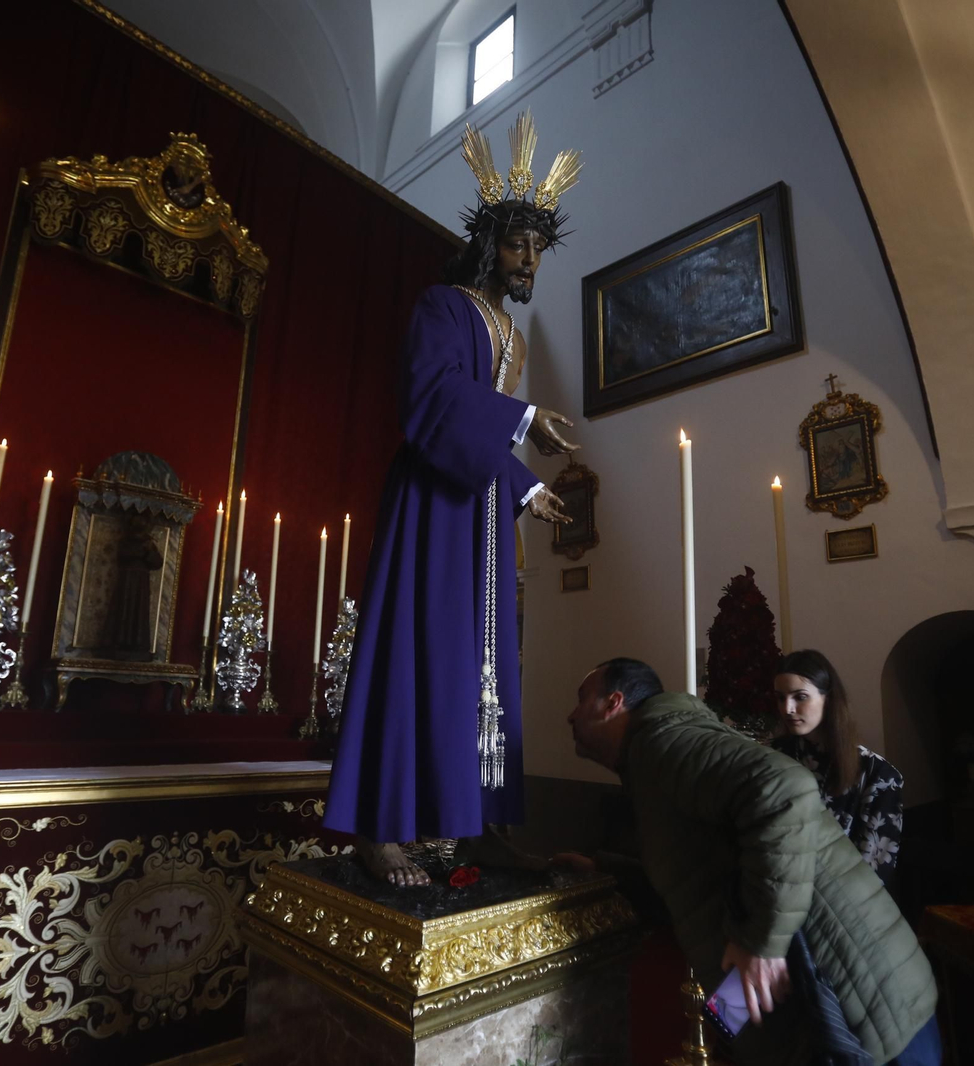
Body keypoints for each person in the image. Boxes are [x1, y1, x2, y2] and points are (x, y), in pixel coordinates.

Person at [323, 113, 583, 885]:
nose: (528, 259)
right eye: (516, 244)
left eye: (537, 248)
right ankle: (383, 825)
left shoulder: (517, 336)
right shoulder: (443, 306)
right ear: (487, 246)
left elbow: (491, 437)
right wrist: (526, 424)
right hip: (433, 505)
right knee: (418, 649)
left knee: (487, 660)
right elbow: (433, 402)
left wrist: (523, 484)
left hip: (481, 512)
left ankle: (475, 823)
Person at [559, 658, 939, 1065]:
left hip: (859, 1001)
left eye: (581, 700)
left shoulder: (661, 742)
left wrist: (762, 941)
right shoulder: (651, 755)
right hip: (827, 999)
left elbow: (785, 789)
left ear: (612, 703)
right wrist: (605, 871)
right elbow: (696, 878)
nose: (570, 714)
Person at [771, 650, 904, 887]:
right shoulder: (774, 756)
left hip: (844, 906)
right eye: (781, 698)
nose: (788, 708)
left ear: (828, 699)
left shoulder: (878, 774)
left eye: (800, 697)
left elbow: (873, 873)